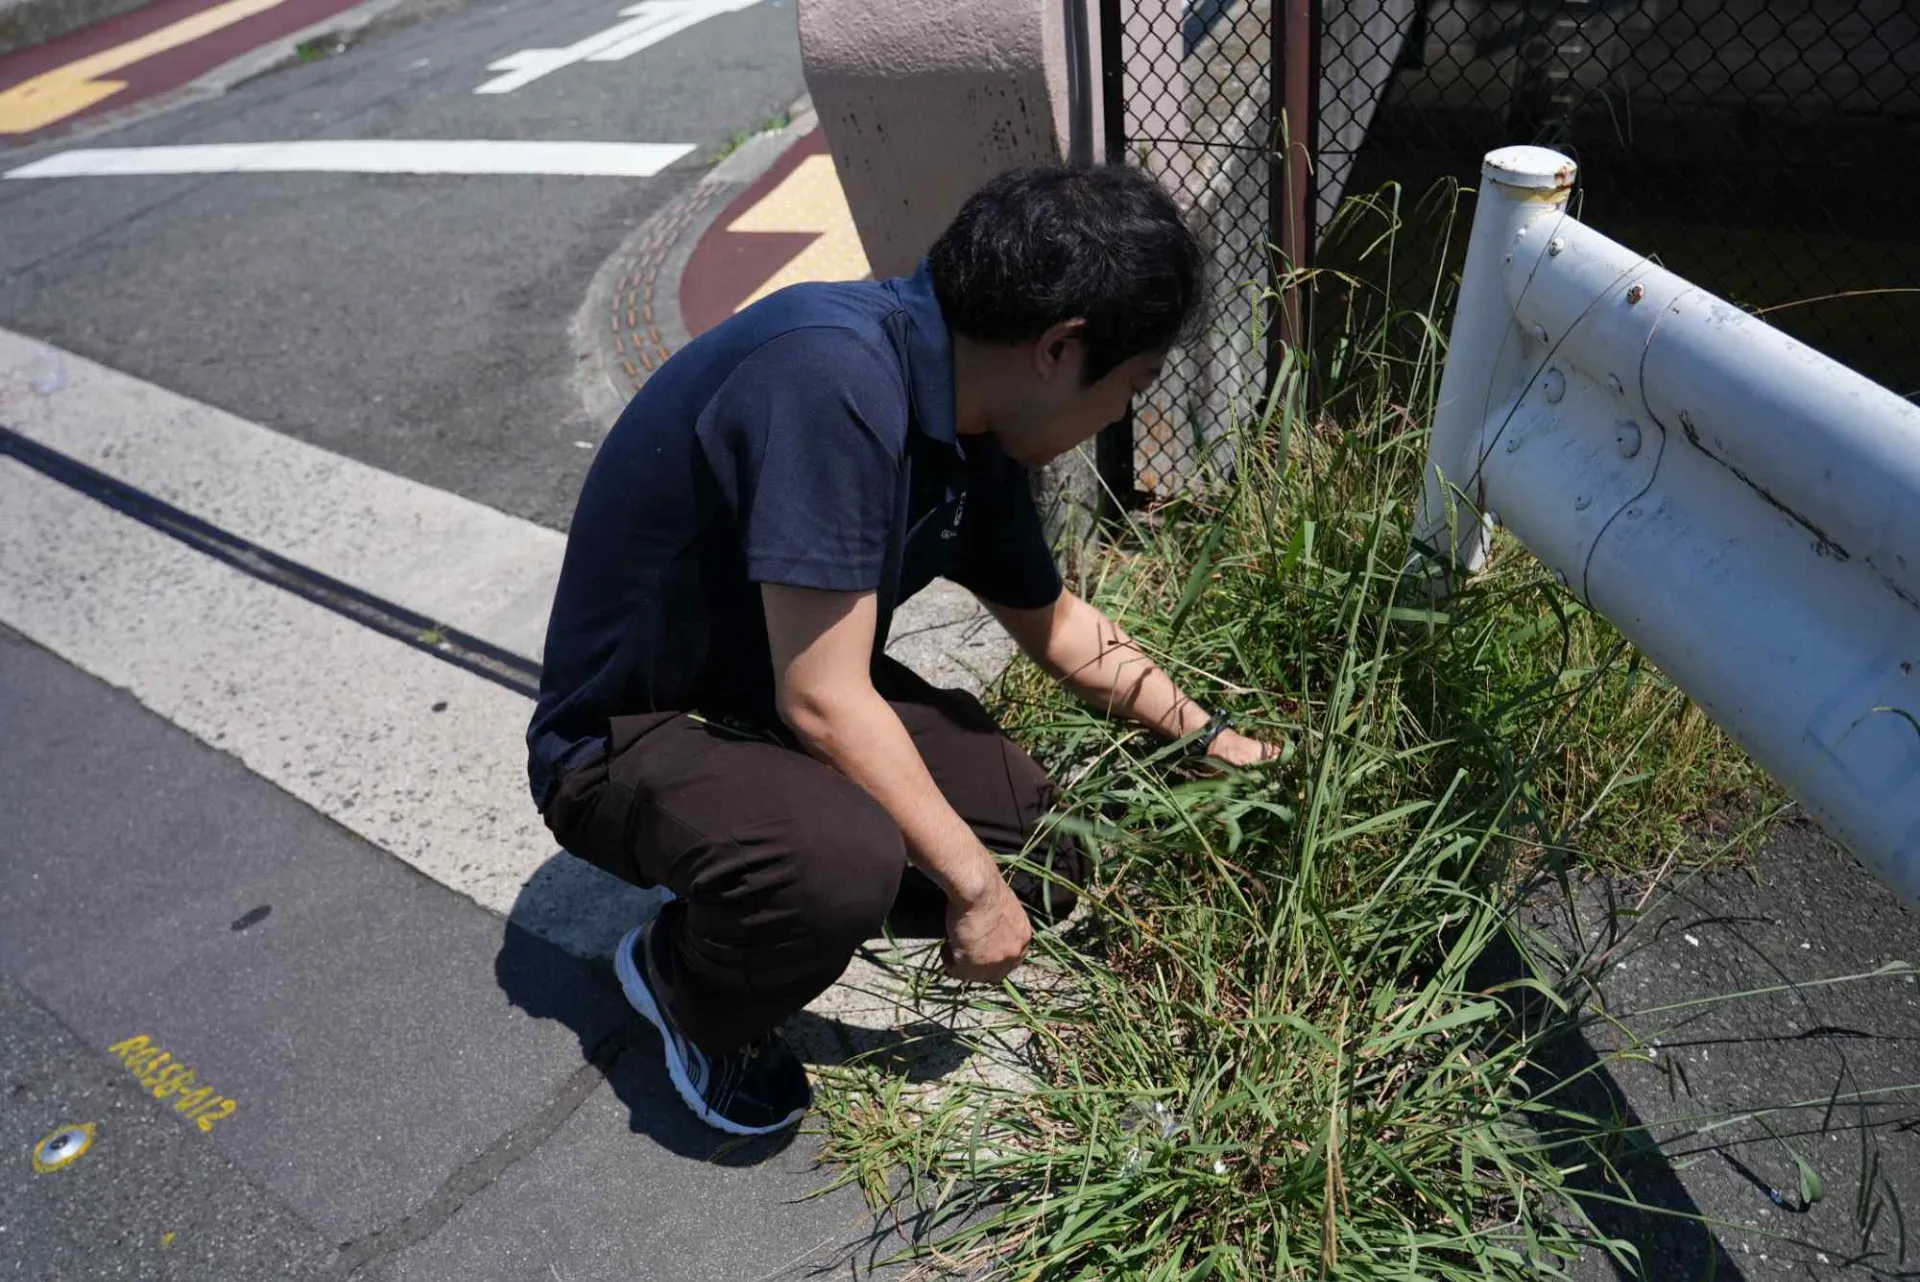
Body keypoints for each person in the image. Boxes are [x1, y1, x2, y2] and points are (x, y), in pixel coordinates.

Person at [528, 164, 1279, 1137]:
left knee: (1044, 849)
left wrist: (1217, 741)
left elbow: (1056, 626)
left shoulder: (973, 417)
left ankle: (769, 880)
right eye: (1131, 386)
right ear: (1061, 348)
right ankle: (688, 984)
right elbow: (826, 705)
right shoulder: (834, 378)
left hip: (764, 687)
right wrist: (972, 891)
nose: (1124, 414)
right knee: (840, 861)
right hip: (629, 732)